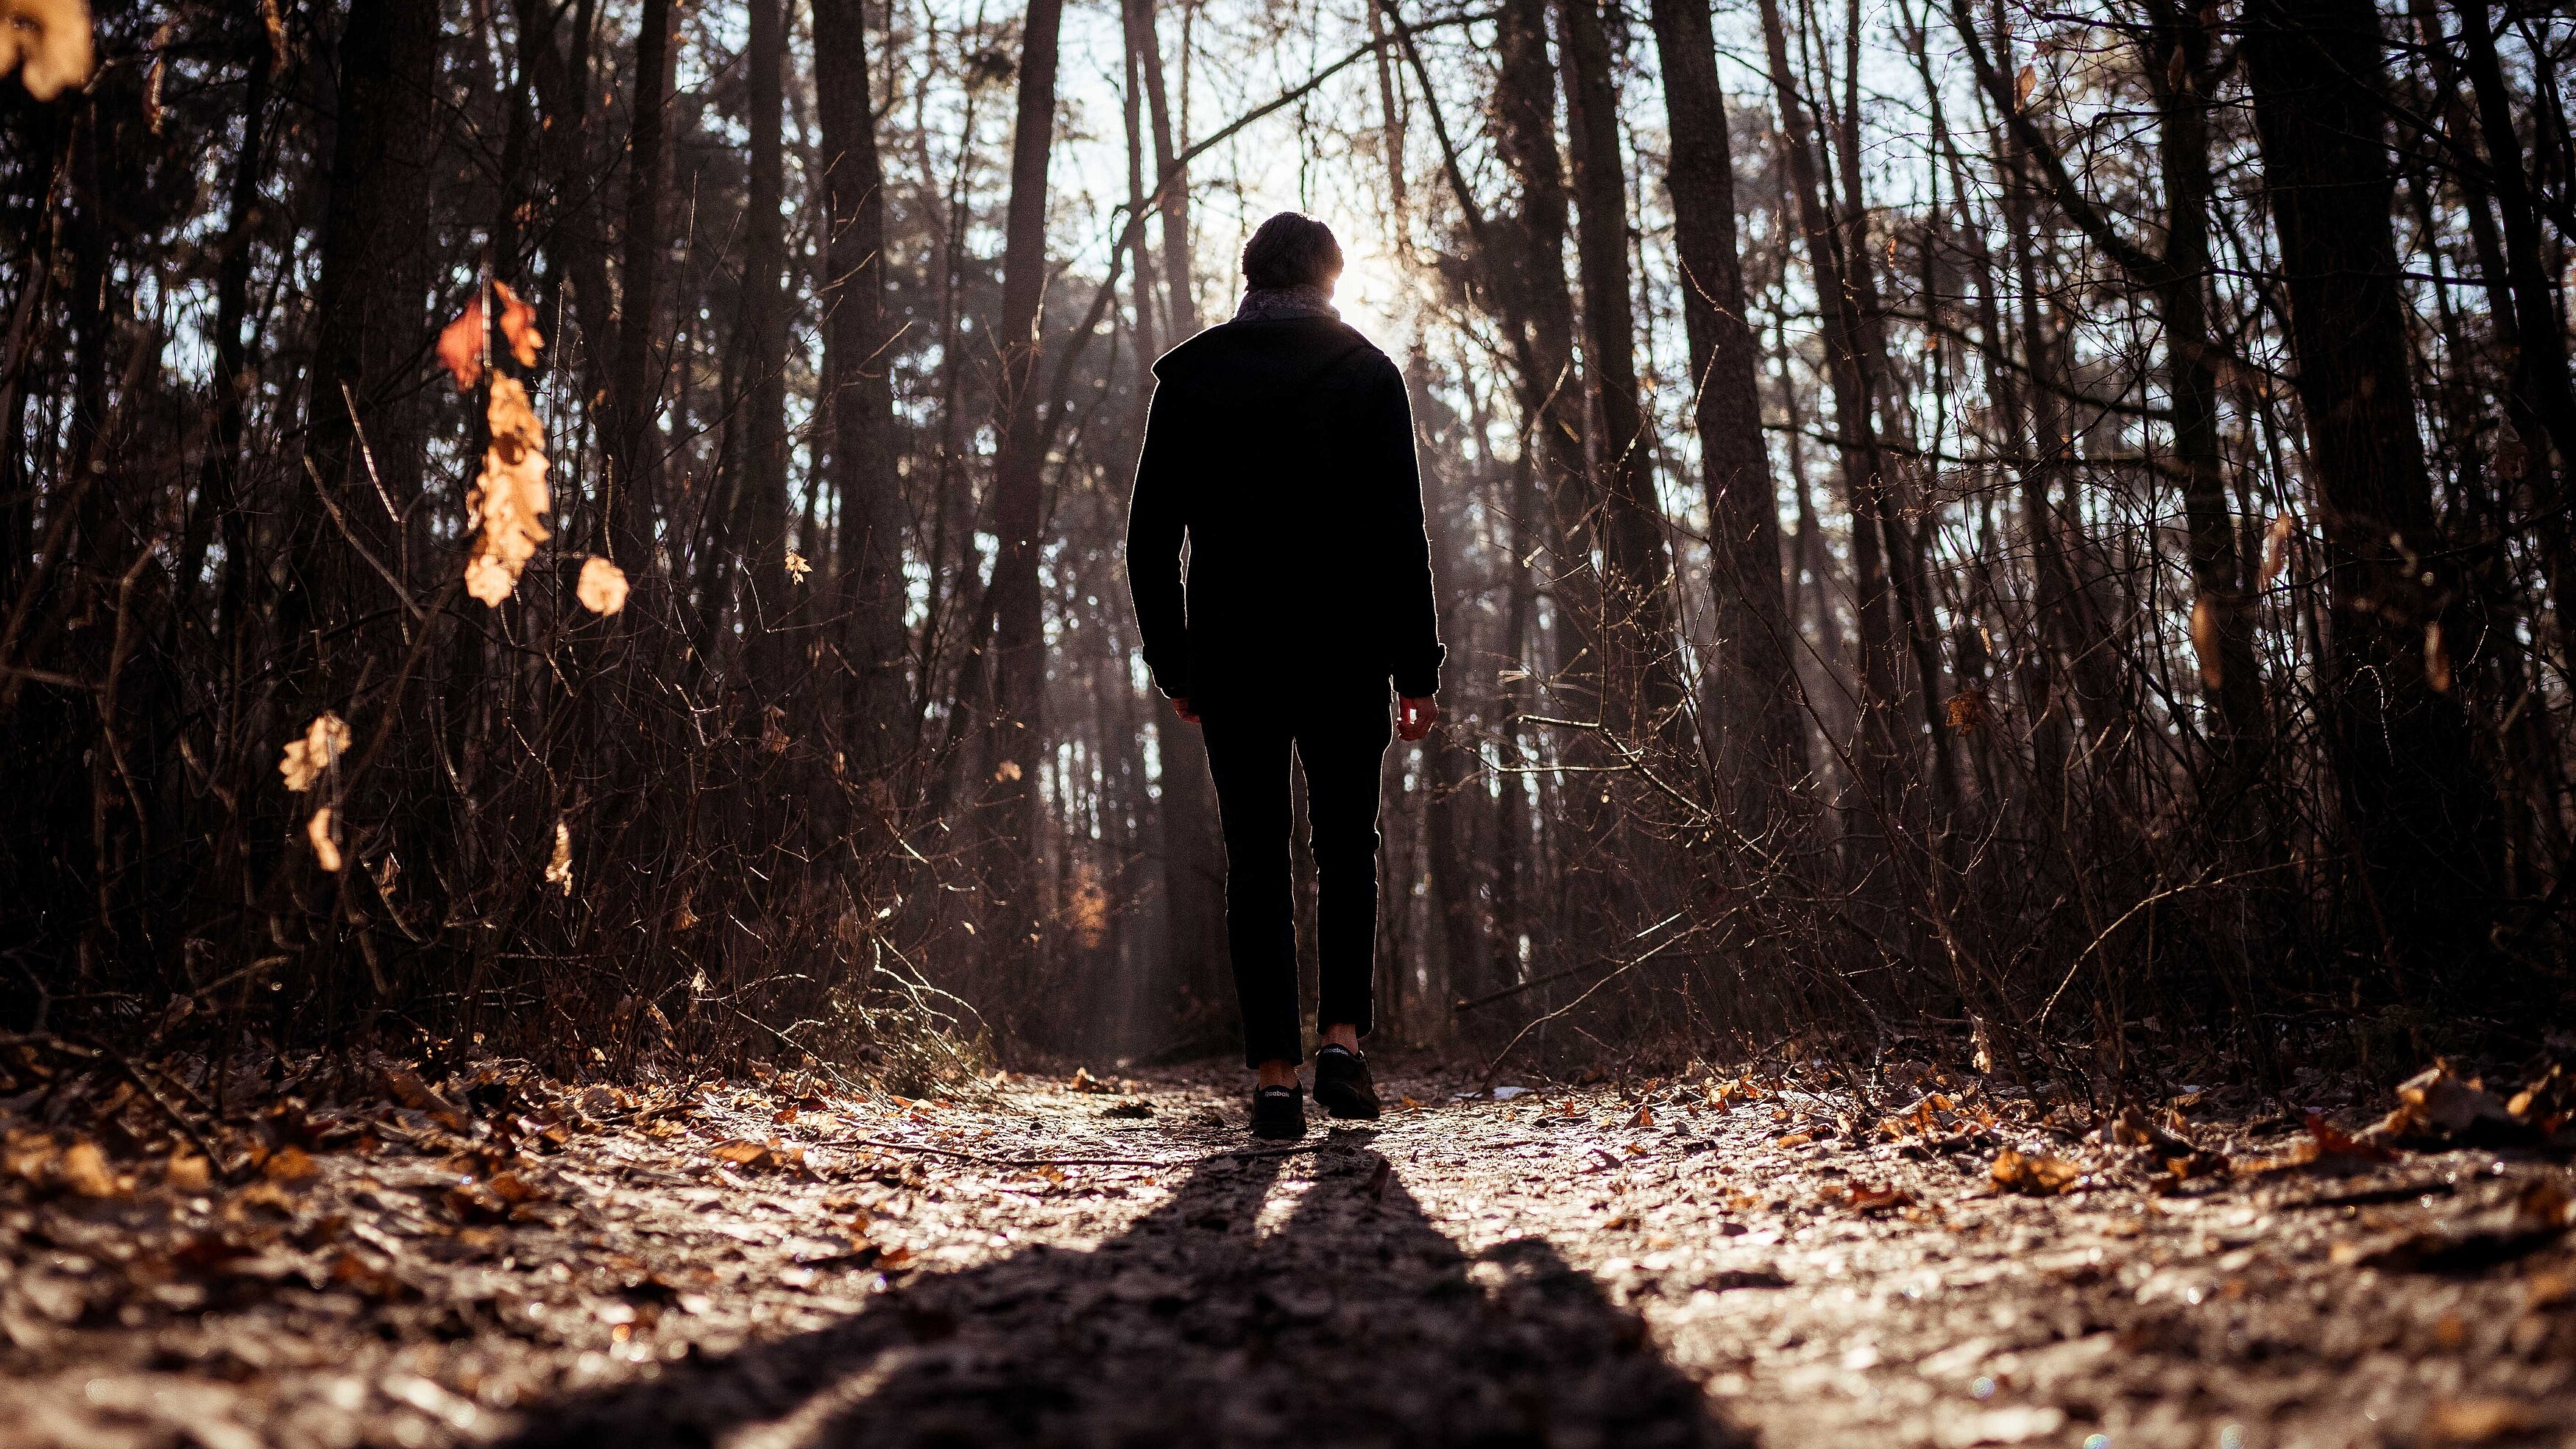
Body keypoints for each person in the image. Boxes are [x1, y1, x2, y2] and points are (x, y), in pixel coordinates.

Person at [1125, 213, 1443, 1141]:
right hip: (1346, 648)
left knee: (1255, 859)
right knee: (1348, 846)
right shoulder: (1368, 372)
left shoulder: (1189, 378)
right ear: (1331, 279)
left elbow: (1149, 539)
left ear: (1249, 275)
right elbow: (1399, 532)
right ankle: (1340, 1042)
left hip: (1234, 653)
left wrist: (1173, 659)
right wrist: (1415, 666)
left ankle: (1272, 1075)